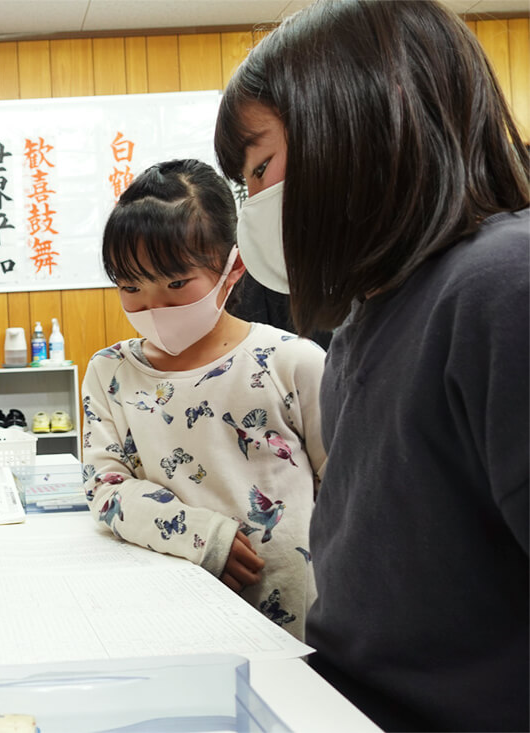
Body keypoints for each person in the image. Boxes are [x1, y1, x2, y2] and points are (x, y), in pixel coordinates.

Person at [214, 1, 529, 730]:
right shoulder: (366, 321)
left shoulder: (503, 285)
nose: (254, 202)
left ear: (358, 126)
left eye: (260, 167)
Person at [81, 159, 326, 641]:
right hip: (170, 603)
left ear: (233, 266)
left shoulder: (292, 362)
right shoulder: (110, 372)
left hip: (296, 611)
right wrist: (198, 535)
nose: (154, 305)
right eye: (131, 287)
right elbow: (105, 486)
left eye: (176, 284)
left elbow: (347, 488)